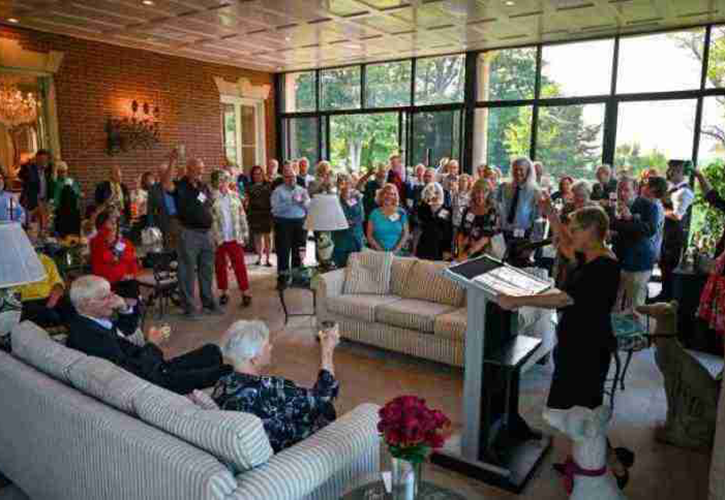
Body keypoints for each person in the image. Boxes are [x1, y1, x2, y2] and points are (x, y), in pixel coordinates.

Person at [495, 206, 633, 489]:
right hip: (574, 341)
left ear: (592, 231)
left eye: (576, 228)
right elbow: (566, 243)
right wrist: (551, 215)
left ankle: (610, 464)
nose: (570, 234)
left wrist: (517, 300)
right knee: (575, 408)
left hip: (589, 347)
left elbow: (564, 300)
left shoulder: (605, 266)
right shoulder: (589, 255)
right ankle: (583, 458)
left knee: (585, 410)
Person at [67, 275, 232, 394]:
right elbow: (133, 373)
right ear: (86, 304)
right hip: (155, 381)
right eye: (105, 297)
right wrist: (153, 344)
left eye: (111, 293)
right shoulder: (90, 336)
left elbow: (127, 329)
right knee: (227, 371)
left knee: (212, 351)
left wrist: (124, 308)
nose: (113, 299)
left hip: (154, 367)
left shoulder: (88, 321)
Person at [213, 320, 340, 453]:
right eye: (267, 345)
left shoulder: (222, 384)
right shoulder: (272, 388)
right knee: (326, 409)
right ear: (254, 358)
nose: (271, 347)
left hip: (258, 442)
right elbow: (323, 396)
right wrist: (327, 350)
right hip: (290, 451)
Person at [162, 154, 223, 319]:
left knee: (207, 270)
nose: (201, 173)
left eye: (202, 170)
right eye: (197, 170)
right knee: (187, 272)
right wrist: (173, 160)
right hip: (189, 233)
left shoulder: (203, 186)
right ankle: (189, 308)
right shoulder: (180, 186)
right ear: (188, 170)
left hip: (207, 233)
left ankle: (208, 303)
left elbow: (208, 205)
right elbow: (166, 184)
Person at [611, 176, 661, 312]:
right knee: (613, 302)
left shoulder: (649, 206)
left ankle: (634, 333)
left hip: (639, 262)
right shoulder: (614, 206)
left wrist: (631, 218)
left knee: (634, 306)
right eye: (619, 189)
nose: (622, 193)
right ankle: (613, 332)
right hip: (617, 259)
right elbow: (613, 225)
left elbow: (650, 230)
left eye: (626, 190)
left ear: (635, 190)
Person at [654, 160, 696, 302]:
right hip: (667, 235)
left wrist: (659, 209)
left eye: (672, 170)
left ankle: (668, 301)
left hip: (675, 237)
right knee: (664, 266)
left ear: (680, 172)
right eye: (668, 169)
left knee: (670, 268)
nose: (668, 173)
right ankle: (663, 295)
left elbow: (677, 216)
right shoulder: (673, 189)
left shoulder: (684, 191)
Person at [18, 225, 74, 328]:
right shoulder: (11, 263)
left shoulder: (46, 260)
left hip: (49, 298)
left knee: (72, 307)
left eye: (33, 231)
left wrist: (54, 298)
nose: (30, 234)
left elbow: (57, 282)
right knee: (47, 315)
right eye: (27, 231)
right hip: (27, 301)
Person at [211, 171, 252, 308]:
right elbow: (209, 219)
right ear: (216, 182)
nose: (222, 183)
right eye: (219, 180)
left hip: (235, 236)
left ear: (229, 181)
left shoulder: (235, 196)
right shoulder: (211, 198)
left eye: (225, 180)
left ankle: (245, 293)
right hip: (219, 237)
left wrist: (245, 233)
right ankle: (224, 292)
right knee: (220, 266)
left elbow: (242, 216)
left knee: (239, 265)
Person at [271, 163, 310, 288]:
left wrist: (304, 202)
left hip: (300, 223)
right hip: (283, 224)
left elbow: (309, 208)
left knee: (300, 251)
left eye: (293, 176)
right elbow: (275, 210)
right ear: (283, 178)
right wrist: (290, 201)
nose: (291, 179)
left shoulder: (302, 190)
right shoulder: (278, 191)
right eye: (288, 177)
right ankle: (283, 278)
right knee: (283, 252)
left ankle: (297, 277)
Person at [90, 210, 141, 300]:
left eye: (115, 223)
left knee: (132, 285)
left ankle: (129, 309)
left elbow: (133, 261)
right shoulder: (96, 241)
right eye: (111, 222)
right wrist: (120, 255)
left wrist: (132, 274)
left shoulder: (125, 242)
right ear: (101, 225)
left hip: (125, 281)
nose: (114, 225)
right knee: (130, 290)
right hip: (107, 282)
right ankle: (129, 309)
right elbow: (108, 257)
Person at [496, 157, 542, 253]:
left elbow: (537, 218)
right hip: (503, 234)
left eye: (521, 169)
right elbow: (497, 209)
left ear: (528, 171)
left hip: (524, 237)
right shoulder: (503, 187)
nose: (518, 172)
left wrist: (533, 244)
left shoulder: (535, 192)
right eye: (515, 169)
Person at [456, 179, 499, 261]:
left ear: (489, 194)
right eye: (478, 192)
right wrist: (460, 251)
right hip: (465, 253)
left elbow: (486, 238)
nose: (480, 195)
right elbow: (461, 232)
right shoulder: (467, 210)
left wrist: (467, 254)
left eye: (484, 192)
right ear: (473, 193)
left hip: (483, 255)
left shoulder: (492, 212)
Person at [331, 173, 364, 268]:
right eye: (342, 182)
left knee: (356, 267)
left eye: (347, 182)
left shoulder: (357, 197)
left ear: (351, 183)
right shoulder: (334, 198)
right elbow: (332, 217)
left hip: (355, 237)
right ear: (338, 184)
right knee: (341, 267)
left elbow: (361, 216)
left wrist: (352, 221)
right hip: (340, 238)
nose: (345, 184)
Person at [147, 159, 180, 250]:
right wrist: (151, 226)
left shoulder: (178, 185)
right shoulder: (153, 189)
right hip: (164, 221)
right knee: (168, 249)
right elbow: (150, 209)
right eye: (161, 173)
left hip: (179, 220)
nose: (164, 175)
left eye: (166, 172)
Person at [367, 183, 409, 253]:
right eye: (386, 193)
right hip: (378, 253)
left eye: (392, 194)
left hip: (398, 253)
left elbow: (405, 234)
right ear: (381, 195)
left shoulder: (401, 212)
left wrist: (396, 250)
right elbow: (369, 236)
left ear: (395, 196)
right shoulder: (374, 213)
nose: (389, 196)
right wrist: (381, 250)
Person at [416, 182, 453, 261]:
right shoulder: (422, 208)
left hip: (440, 247)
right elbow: (421, 225)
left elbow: (448, 232)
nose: (434, 195)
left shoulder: (447, 210)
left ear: (441, 194)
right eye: (431, 193)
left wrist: (447, 250)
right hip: (424, 245)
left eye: (437, 193)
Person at [246, 165, 273, 267]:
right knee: (257, 237)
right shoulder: (249, 186)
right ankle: (259, 258)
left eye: (259, 173)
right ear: (252, 175)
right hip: (255, 213)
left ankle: (268, 259)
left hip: (267, 213)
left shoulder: (269, 184)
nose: (257, 175)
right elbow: (247, 200)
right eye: (255, 174)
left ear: (263, 174)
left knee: (268, 237)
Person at [18, 149, 52, 226]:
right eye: (41, 159)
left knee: (43, 223)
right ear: (37, 159)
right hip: (31, 200)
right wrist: (25, 164)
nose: (43, 161)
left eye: (45, 159)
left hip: (43, 201)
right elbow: (21, 175)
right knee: (28, 224)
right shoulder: (29, 169)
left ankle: (42, 235)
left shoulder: (47, 171)